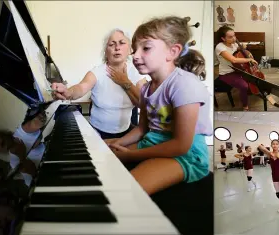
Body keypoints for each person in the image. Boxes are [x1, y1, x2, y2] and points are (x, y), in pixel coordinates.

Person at [104, 16, 212, 195]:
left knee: (126, 191)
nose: (135, 56)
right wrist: (117, 142)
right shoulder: (146, 88)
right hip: (153, 141)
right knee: (104, 157)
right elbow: (142, 128)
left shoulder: (184, 85)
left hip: (186, 154)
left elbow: (181, 145)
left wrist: (130, 155)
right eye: (134, 49)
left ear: (173, 51)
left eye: (145, 48)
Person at [51, 28, 147, 139]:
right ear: (106, 51)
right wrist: (68, 92)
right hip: (97, 132)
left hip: (126, 131)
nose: (117, 48)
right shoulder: (97, 72)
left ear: (130, 49)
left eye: (122, 43)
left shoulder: (136, 72)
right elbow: (81, 88)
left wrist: (124, 81)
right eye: (112, 44)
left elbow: (145, 103)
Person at [214, 26, 258, 111]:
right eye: (230, 37)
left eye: (234, 35)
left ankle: (251, 91)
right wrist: (249, 59)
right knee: (244, 86)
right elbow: (233, 60)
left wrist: (241, 47)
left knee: (253, 77)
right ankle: (245, 106)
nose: (234, 39)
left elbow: (235, 50)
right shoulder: (220, 47)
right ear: (223, 38)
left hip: (237, 69)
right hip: (227, 73)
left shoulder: (233, 44)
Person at [258, 141, 279, 215]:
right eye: (273, 144)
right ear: (271, 145)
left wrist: (278, 156)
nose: (275, 145)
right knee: (278, 193)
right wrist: (269, 152)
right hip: (274, 176)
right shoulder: (270, 154)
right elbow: (260, 146)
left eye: (277, 144)